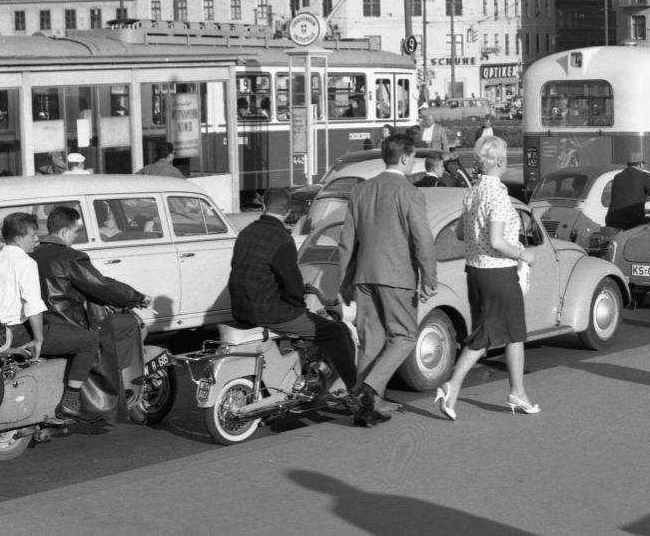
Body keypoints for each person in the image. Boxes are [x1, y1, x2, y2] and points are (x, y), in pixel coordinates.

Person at [228, 188, 374, 425]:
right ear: (288, 211)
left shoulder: (247, 232)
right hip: (269, 311)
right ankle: (359, 400)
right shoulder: (281, 238)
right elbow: (291, 282)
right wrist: (298, 303)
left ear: (264, 205)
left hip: (240, 308)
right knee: (334, 331)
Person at [434, 135, 538, 421]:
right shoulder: (499, 197)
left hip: (475, 272)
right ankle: (516, 391)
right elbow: (496, 241)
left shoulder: (471, 194)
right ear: (501, 161)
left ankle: (453, 387)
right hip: (498, 272)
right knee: (514, 332)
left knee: (483, 332)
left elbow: (458, 234)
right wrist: (522, 253)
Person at [338, 133, 438, 418]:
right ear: (405, 158)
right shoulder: (410, 193)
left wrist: (345, 282)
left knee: (370, 341)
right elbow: (423, 239)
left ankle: (366, 406)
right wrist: (429, 278)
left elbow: (348, 241)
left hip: (363, 277)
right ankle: (368, 389)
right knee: (405, 336)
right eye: (413, 158)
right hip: (397, 276)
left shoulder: (361, 191)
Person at [32, 206, 150, 422]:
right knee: (128, 323)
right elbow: (101, 285)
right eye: (76, 231)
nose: (76, 236)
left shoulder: (33, 254)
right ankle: (117, 383)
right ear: (65, 232)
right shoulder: (71, 257)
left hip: (43, 323)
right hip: (71, 322)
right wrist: (136, 297)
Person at [0, 213, 102, 421]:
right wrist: (38, 340)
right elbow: (33, 306)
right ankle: (70, 403)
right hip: (17, 333)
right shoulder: (25, 263)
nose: (37, 240)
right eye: (33, 235)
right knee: (89, 341)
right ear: (19, 239)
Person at [605, 152, 650, 231]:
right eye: (643, 163)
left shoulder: (617, 177)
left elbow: (624, 200)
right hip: (632, 222)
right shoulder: (644, 176)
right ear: (640, 164)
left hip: (612, 220)